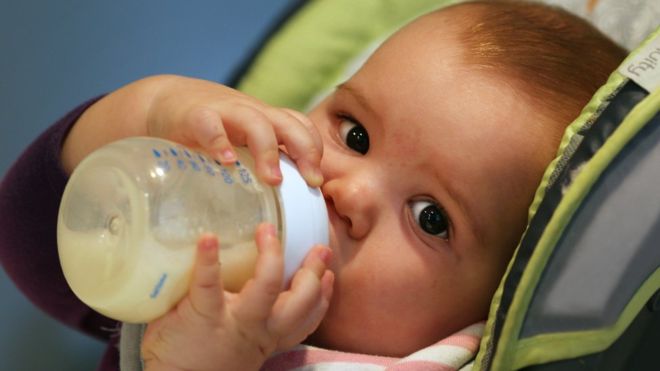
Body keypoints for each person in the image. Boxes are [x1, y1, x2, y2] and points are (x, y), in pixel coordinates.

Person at [0, 1, 627, 370]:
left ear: (493, 308)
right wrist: (156, 107)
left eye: (430, 216)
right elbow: (29, 238)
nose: (345, 192)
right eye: (354, 134)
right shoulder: (213, 268)